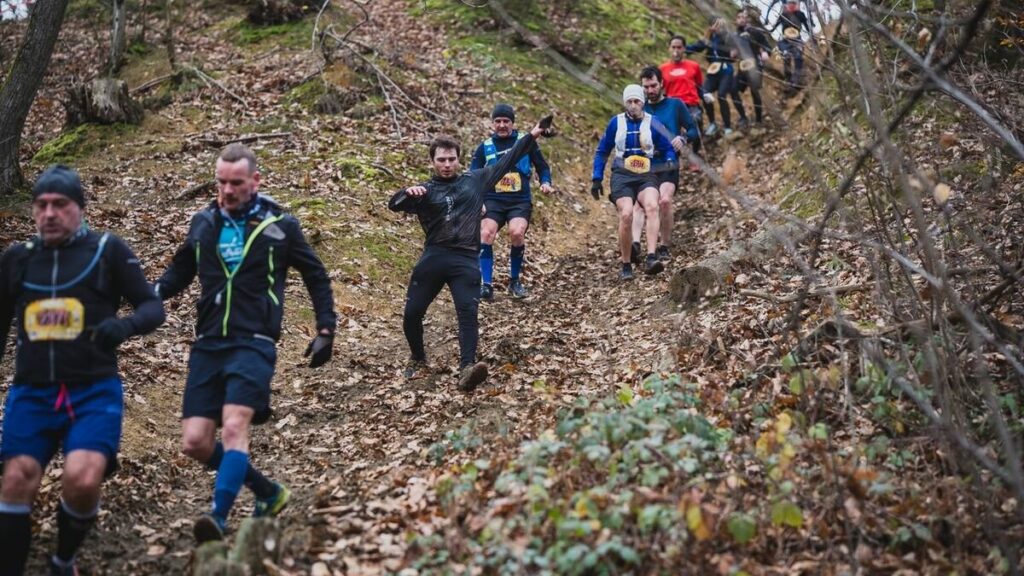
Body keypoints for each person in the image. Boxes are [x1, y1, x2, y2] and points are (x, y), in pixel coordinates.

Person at [154, 144, 337, 543]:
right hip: (209, 341)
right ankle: (267, 491)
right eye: (221, 182)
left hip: (254, 339)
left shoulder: (279, 225)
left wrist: (326, 328)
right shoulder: (203, 222)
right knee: (196, 443)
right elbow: (180, 270)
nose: (227, 190)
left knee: (235, 424)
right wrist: (147, 294)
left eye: (236, 183)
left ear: (255, 181)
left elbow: (316, 275)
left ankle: (217, 518)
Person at [0, 165, 165, 575]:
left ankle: (63, 560)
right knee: (16, 480)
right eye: (41, 205)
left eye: (60, 204)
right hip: (33, 391)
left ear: (80, 208)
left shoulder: (107, 251)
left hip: (92, 391)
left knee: (83, 477)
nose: (50, 213)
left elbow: (152, 306)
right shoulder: (17, 260)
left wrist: (123, 326)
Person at [389, 115, 554, 391]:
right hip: (434, 256)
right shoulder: (425, 190)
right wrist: (407, 192)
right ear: (432, 161)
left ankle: (467, 367)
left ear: (458, 159)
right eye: (441, 160)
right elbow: (394, 204)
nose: (446, 164)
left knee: (468, 311)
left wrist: (534, 134)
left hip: (465, 259)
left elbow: (509, 158)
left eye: (451, 159)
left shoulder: (475, 180)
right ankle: (417, 357)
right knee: (412, 313)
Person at [470, 103, 554, 301]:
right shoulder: (485, 147)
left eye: (506, 121)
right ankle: (486, 284)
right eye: (497, 121)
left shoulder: (526, 142)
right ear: (492, 123)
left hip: (519, 200)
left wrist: (546, 182)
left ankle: (515, 281)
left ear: (513, 123)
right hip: (493, 200)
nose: (502, 125)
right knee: (486, 233)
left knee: (516, 233)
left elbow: (543, 167)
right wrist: (477, 199)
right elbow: (473, 175)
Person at [592, 85, 676, 280]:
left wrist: (670, 159)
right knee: (627, 214)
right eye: (629, 101)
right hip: (622, 174)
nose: (633, 105)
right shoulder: (616, 123)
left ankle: (651, 257)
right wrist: (597, 178)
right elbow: (602, 150)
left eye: (636, 101)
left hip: (646, 173)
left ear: (643, 102)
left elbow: (666, 147)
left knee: (652, 206)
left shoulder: (653, 122)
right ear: (624, 103)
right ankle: (626, 264)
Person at [630, 66, 699, 264]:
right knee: (640, 204)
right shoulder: (639, 108)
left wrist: (683, 138)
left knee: (665, 201)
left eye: (653, 85)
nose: (650, 90)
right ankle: (635, 245)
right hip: (644, 164)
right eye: (646, 87)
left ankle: (664, 245)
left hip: (669, 163)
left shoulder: (675, 105)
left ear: (661, 84)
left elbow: (693, 129)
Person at [688, 18, 748, 136]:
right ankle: (712, 123)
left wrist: (735, 52)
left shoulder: (728, 37)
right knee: (705, 94)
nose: (717, 27)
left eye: (720, 25)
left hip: (726, 70)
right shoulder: (709, 38)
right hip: (713, 70)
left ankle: (727, 126)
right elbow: (698, 46)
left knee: (722, 96)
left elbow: (739, 43)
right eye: (715, 25)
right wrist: (686, 48)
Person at [660, 34, 705, 172]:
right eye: (673, 47)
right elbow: (658, 89)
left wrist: (705, 95)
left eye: (679, 47)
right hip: (672, 106)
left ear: (684, 49)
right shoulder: (662, 69)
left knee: (696, 126)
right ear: (669, 48)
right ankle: (675, 158)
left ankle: (695, 156)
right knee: (671, 132)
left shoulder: (694, 66)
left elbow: (699, 86)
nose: (676, 50)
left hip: (691, 104)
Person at [734, 10, 772, 125]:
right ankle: (743, 117)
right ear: (736, 20)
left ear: (747, 19)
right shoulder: (735, 35)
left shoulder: (755, 32)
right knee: (732, 89)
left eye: (743, 17)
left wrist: (765, 52)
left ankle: (759, 119)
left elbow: (767, 46)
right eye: (738, 17)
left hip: (756, 65)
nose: (741, 19)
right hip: (742, 67)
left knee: (754, 91)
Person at [771, 0, 813, 94]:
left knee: (798, 57)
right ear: (787, 4)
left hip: (797, 39)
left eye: (794, 3)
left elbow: (807, 26)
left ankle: (796, 81)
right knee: (786, 57)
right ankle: (788, 80)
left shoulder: (800, 14)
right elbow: (775, 25)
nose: (792, 5)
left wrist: (812, 36)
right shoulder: (784, 15)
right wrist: (770, 30)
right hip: (785, 40)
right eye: (790, 3)